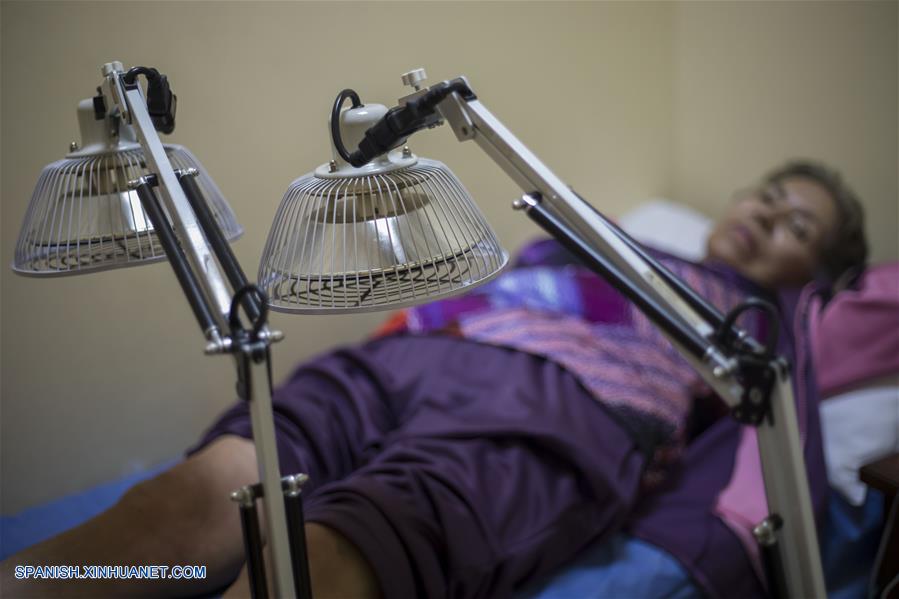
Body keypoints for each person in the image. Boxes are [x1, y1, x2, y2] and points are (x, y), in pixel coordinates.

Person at [0, 160, 868, 599]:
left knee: (326, 555)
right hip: (409, 356)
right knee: (189, 496)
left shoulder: (762, 326)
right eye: (768, 195)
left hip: (563, 405)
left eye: (798, 225)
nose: (766, 215)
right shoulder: (593, 233)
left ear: (816, 276)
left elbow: (769, 463)